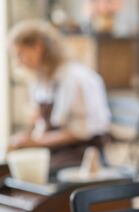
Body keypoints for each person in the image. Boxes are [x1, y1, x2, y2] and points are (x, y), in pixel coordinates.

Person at [8, 20, 111, 169]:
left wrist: (37, 142)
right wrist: (29, 139)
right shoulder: (40, 80)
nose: (18, 63)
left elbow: (82, 132)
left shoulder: (75, 79)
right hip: (58, 150)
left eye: (20, 54)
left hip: (81, 153)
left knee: (32, 172)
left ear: (37, 47)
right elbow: (44, 126)